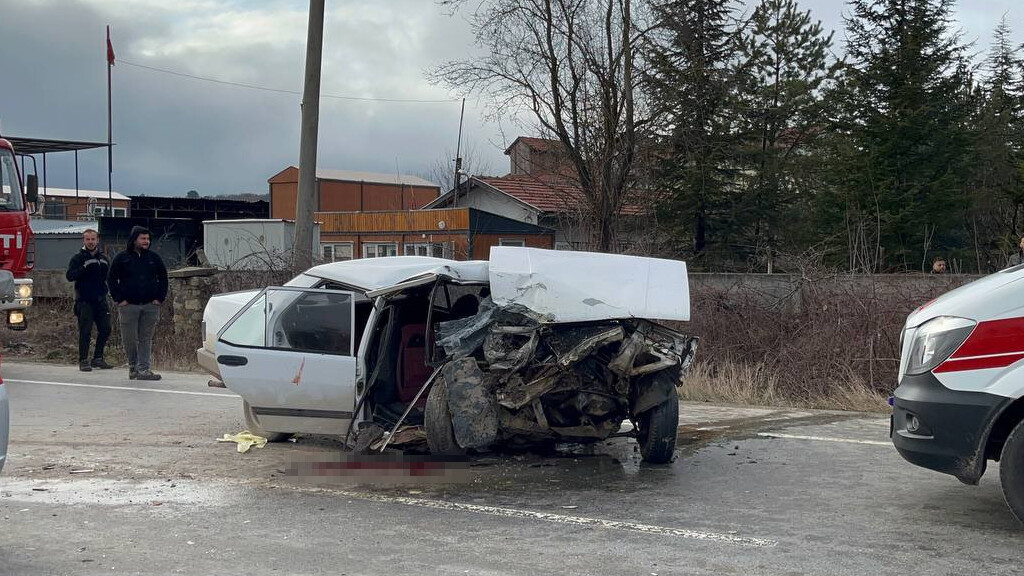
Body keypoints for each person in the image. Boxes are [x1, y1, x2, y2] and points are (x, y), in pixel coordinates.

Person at [108, 226, 168, 381]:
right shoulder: (122, 258)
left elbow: (163, 278)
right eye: (143, 238)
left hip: (150, 305)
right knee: (129, 338)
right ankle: (133, 367)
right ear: (134, 239)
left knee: (146, 338)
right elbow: (111, 279)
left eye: (148, 239)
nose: (146, 241)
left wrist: (159, 298)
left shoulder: (154, 258)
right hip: (128, 306)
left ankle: (144, 369)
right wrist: (119, 299)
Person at [65, 229, 113, 372]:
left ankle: (98, 358)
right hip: (84, 301)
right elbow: (70, 276)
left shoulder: (104, 258)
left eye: (93, 239)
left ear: (97, 240)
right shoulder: (78, 258)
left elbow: (108, 277)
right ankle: (83, 360)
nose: (91, 242)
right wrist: (83, 268)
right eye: (88, 239)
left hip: (101, 300)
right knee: (85, 331)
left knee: (106, 329)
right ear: (83, 241)